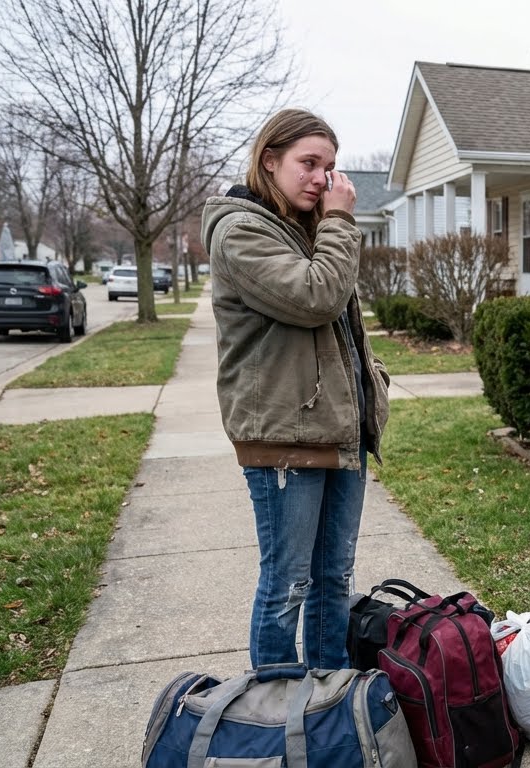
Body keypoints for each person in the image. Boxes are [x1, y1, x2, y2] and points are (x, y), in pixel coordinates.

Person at [201, 108, 390, 669]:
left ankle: (329, 708)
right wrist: (338, 224)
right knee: (288, 586)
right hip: (284, 436)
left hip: (337, 430)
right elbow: (316, 298)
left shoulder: (304, 229)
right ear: (269, 160)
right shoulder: (241, 232)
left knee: (334, 580)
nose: (321, 179)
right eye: (308, 163)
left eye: (330, 167)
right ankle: (274, 714)